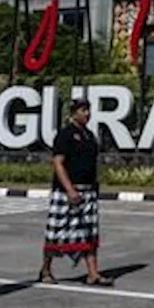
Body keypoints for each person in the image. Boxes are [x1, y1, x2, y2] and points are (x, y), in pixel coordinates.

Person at [40, 98, 113, 286]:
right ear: (73, 113)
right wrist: (70, 190)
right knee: (56, 232)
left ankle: (93, 273)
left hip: (88, 191)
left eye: (88, 109)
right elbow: (58, 163)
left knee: (89, 234)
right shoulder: (65, 134)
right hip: (66, 191)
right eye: (82, 110)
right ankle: (46, 269)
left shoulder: (89, 135)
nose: (87, 113)